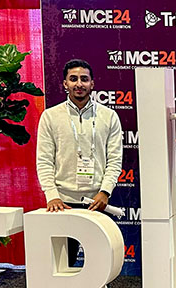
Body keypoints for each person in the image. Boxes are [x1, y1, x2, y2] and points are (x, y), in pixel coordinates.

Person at [36, 59, 123, 267]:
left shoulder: (109, 116)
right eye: (73, 79)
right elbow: (44, 160)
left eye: (84, 79)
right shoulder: (50, 116)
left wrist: (105, 192)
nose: (79, 84)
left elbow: (115, 160)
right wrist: (52, 196)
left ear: (92, 83)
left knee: (101, 264)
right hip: (62, 204)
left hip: (96, 202)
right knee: (62, 264)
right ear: (64, 84)